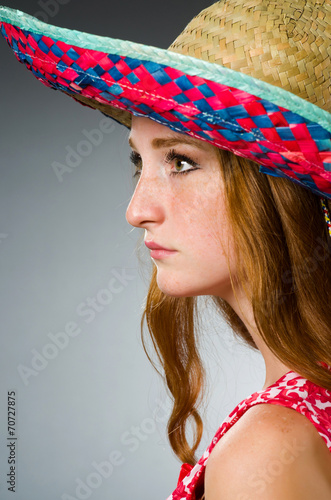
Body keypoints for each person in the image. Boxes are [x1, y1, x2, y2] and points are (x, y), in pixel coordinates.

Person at [1, 1, 330, 498]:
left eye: (180, 161)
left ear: (283, 190)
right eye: (139, 161)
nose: (136, 211)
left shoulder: (267, 449)